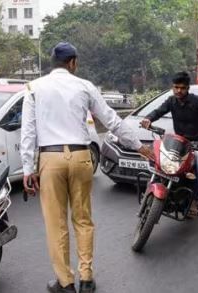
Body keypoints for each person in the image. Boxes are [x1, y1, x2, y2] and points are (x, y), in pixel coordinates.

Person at [20, 42, 153, 293]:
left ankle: (65, 282)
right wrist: (138, 146)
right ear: (73, 63)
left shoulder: (34, 88)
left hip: (50, 159)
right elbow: (112, 121)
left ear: (54, 63)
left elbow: (28, 132)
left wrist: (28, 168)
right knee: (83, 219)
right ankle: (87, 278)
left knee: (56, 223)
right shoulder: (85, 86)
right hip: (81, 157)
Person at [140, 72, 198, 218]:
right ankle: (155, 187)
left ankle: (194, 200)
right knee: (156, 158)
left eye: (182, 88)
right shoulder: (171, 101)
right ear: (172, 87)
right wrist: (148, 119)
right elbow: (158, 111)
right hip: (179, 144)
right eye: (176, 87)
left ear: (188, 88)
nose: (178, 91)